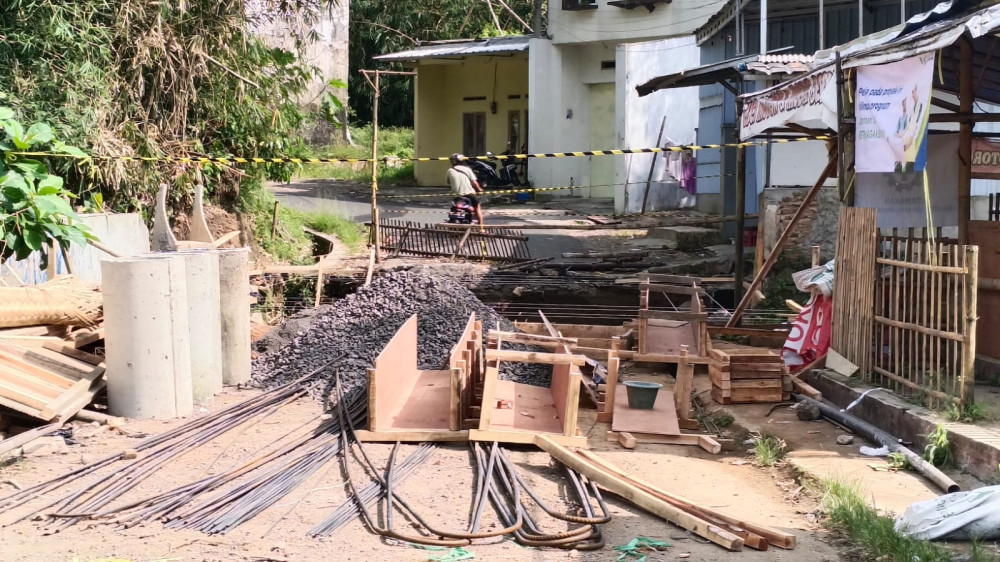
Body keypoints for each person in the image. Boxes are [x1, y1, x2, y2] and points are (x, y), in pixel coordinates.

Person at [446, 153, 484, 225]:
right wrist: (479, 189)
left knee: (453, 207)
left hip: (457, 195)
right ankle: (481, 228)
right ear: (462, 161)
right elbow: (475, 183)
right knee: (477, 207)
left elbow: (448, 182)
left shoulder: (450, 170)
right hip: (470, 194)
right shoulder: (467, 169)